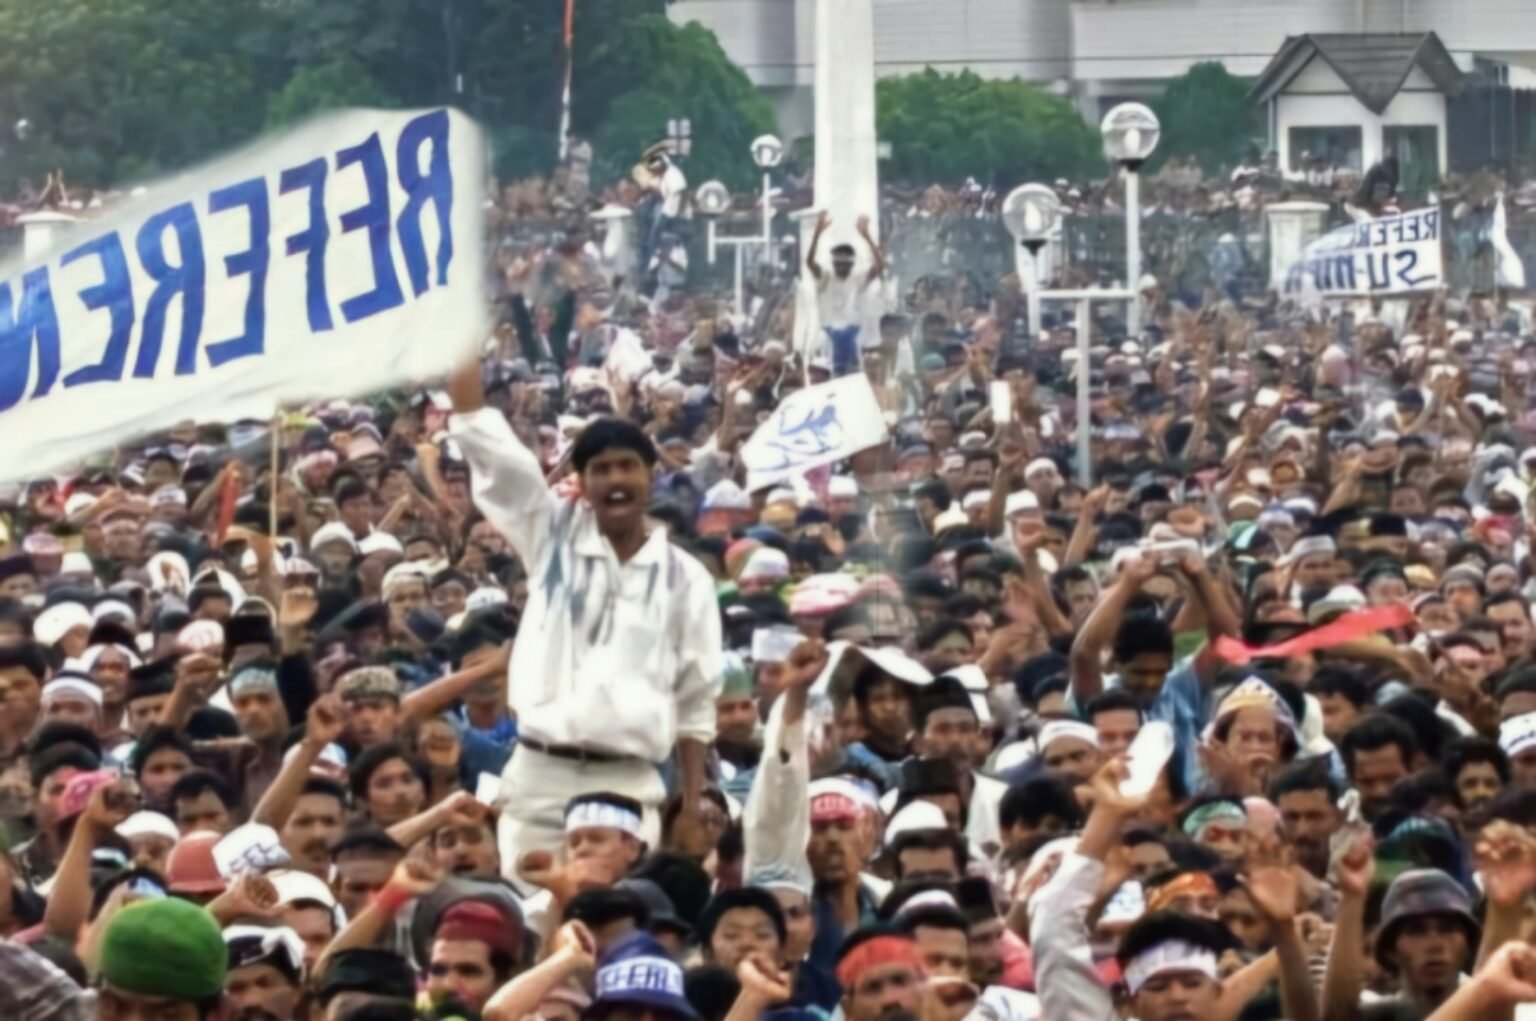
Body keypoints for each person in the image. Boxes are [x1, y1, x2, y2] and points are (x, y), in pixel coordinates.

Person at [449, 360, 723, 873]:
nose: (615, 480)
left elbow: (695, 702)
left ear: (651, 475)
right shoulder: (551, 539)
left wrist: (689, 803)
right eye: (600, 469)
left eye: (627, 466)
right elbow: (491, 448)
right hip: (538, 775)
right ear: (582, 480)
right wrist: (458, 346)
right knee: (530, 923)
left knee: (609, 930)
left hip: (629, 782)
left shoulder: (687, 579)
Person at [806, 212, 886, 377]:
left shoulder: (857, 279)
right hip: (828, 336)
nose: (841, 266)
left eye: (845, 263)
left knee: (853, 374)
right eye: (838, 262)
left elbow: (879, 266)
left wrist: (867, 236)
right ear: (833, 262)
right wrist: (817, 233)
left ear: (851, 264)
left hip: (852, 335)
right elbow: (810, 262)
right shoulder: (825, 278)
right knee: (829, 376)